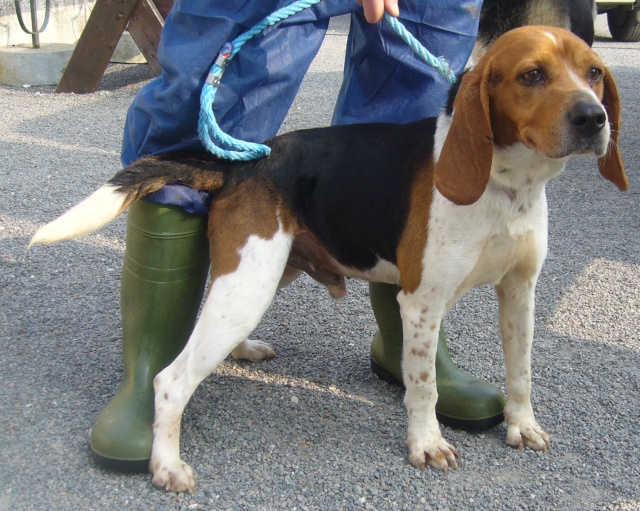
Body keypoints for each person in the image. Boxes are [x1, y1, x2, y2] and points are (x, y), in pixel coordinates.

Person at [89, 0, 506, 472]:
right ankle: (158, 368)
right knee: (216, 67)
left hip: (315, 195)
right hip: (267, 191)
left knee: (416, 82)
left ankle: (398, 347)